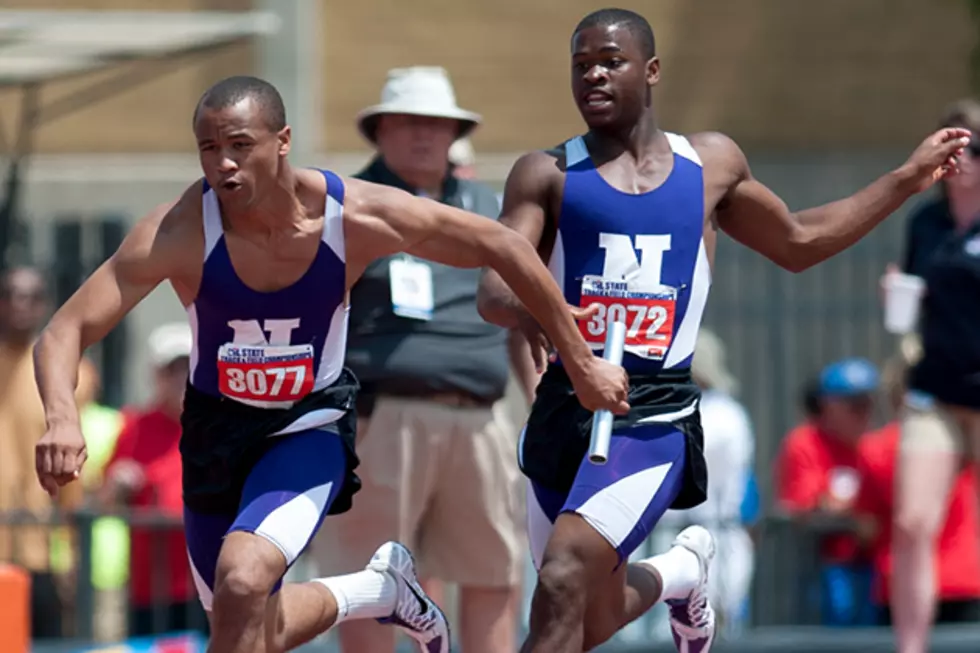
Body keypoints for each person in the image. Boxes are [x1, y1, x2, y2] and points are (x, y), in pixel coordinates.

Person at [31, 75, 627, 653]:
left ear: (282, 141)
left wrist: (578, 357)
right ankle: (375, 589)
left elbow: (501, 243)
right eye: (209, 149)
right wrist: (61, 416)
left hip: (304, 427)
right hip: (215, 434)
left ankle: (370, 588)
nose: (223, 165)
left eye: (241, 145)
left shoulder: (353, 217)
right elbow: (65, 329)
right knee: (244, 630)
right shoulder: (178, 231)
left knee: (243, 580)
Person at [475, 8, 968, 652]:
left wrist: (903, 181)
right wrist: (557, 325)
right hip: (565, 408)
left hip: (649, 414)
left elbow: (800, 242)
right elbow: (495, 291)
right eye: (581, 64)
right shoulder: (546, 173)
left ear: (651, 71)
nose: (593, 74)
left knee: (565, 575)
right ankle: (682, 573)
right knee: (581, 615)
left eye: (610, 61)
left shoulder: (708, 165)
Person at [313, 66, 527, 653]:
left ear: (455, 132)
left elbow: (520, 316)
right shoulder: (348, 207)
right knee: (368, 581)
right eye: (407, 122)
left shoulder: (491, 209)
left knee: (494, 574)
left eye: (436, 123)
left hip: (481, 417)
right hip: (385, 422)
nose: (423, 135)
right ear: (379, 131)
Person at [885, 98, 980, 653]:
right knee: (913, 521)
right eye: (954, 147)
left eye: (974, 149)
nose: (963, 160)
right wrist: (896, 295)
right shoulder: (926, 222)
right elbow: (913, 303)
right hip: (936, 388)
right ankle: (910, 647)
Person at [854, 336, 980, 631]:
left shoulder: (877, 447)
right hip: (965, 579)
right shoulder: (967, 441)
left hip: (900, 583)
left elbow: (866, 527)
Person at [0, 266, 97, 639]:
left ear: (44, 305)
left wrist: (72, 548)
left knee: (45, 643)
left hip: (43, 547)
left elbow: (76, 455)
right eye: (9, 296)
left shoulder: (74, 374)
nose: (17, 305)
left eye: (29, 297)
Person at [101, 322, 208, 637]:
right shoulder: (135, 426)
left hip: (207, 583)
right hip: (151, 588)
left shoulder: (218, 425)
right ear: (156, 376)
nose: (180, 379)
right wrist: (118, 484)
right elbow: (104, 500)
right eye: (171, 370)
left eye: (187, 368)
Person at [775, 358, 880, 627]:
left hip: (869, 564)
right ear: (826, 406)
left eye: (868, 404)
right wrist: (855, 512)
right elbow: (806, 506)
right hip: (824, 566)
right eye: (855, 406)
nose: (865, 414)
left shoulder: (871, 446)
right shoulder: (806, 442)